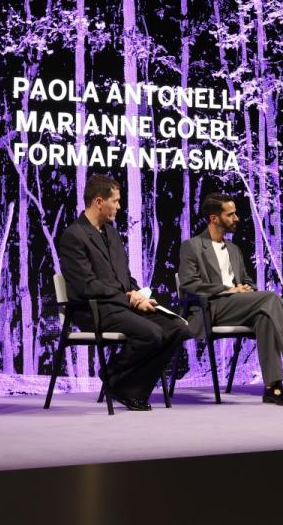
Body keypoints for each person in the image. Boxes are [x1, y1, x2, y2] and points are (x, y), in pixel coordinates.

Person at [178, 193, 283, 406]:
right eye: (231, 214)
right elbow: (189, 283)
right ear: (214, 219)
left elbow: (247, 281)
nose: (236, 218)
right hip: (210, 308)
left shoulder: (233, 249)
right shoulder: (193, 245)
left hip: (237, 307)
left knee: (265, 317)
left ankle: (273, 387)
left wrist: (245, 289)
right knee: (270, 298)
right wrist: (228, 290)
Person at [58, 174, 190, 411]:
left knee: (177, 327)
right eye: (115, 201)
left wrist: (138, 294)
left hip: (121, 305)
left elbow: (124, 277)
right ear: (99, 201)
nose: (119, 206)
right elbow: (86, 286)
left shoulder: (111, 233)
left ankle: (117, 378)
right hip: (94, 309)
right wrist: (129, 299)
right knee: (151, 333)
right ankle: (124, 384)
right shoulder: (73, 236)